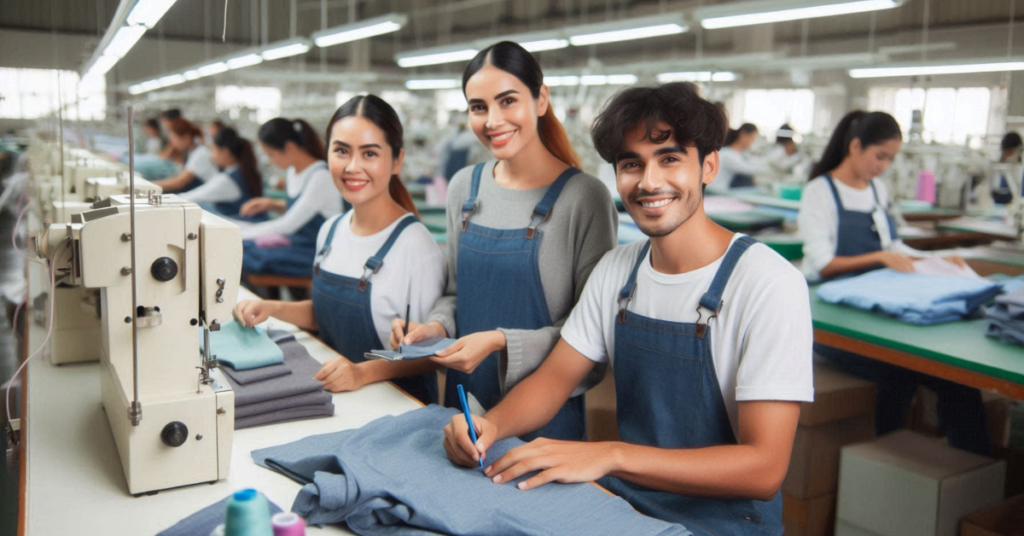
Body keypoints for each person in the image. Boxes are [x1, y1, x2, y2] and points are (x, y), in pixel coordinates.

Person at [441, 82, 813, 535]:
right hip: (628, 508)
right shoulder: (618, 271)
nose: (649, 181)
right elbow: (554, 380)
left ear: (708, 165)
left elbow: (763, 467)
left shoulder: (768, 284)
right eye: (631, 164)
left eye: (670, 159)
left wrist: (609, 454)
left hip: (722, 523)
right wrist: (489, 426)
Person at [395, 41, 618, 441]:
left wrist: (500, 342)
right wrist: (435, 326)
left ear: (541, 100)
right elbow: (455, 293)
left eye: (508, 101)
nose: (492, 120)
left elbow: (590, 336)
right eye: (478, 107)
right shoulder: (465, 188)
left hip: (548, 424)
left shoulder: (584, 198)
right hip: (463, 408)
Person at [800, 110, 990, 456]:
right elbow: (822, 262)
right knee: (898, 371)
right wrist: (879, 258)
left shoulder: (877, 190)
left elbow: (893, 247)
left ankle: (972, 466)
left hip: (879, 303)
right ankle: (885, 461)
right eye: (880, 156)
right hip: (833, 315)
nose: (884, 166)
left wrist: (930, 260)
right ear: (855, 146)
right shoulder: (820, 192)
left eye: (890, 159)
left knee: (956, 379)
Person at [234, 95, 444, 404]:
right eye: (342, 151)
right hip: (337, 393)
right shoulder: (330, 230)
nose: (352, 166)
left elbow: (432, 355)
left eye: (370, 153)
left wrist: (361, 373)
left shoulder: (416, 246)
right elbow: (327, 316)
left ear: (397, 160)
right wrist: (272, 309)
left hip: (396, 405)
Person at [179, 127, 263, 220]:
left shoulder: (227, 180)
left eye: (213, 149)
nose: (211, 155)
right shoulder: (242, 172)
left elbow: (189, 197)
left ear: (224, 151)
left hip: (246, 227)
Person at [151, 118, 217, 193]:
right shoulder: (188, 152)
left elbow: (179, 182)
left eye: (174, 139)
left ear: (186, 137)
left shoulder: (200, 153)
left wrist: (149, 184)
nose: (173, 143)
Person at [714, 122, 762, 190]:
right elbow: (749, 169)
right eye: (752, 138)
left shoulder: (738, 154)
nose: (752, 142)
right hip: (715, 192)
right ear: (744, 135)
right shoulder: (728, 154)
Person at [993, 132, 1022, 204]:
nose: (1008, 155)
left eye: (1010, 152)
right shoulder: (1002, 167)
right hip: (1002, 204)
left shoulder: (1020, 169)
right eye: (1006, 152)